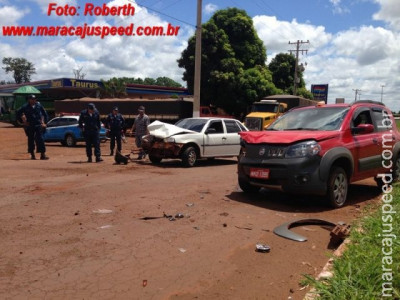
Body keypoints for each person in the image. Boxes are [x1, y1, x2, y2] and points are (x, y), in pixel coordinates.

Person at [16, 94, 49, 160]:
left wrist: (45, 123)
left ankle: (42, 155)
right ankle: (32, 155)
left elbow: (45, 114)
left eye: (34, 99)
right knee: (30, 140)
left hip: (38, 125)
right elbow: (18, 113)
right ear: (29, 100)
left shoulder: (39, 105)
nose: (33, 100)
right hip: (30, 125)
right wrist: (23, 122)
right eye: (32, 99)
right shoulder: (25, 106)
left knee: (40, 139)